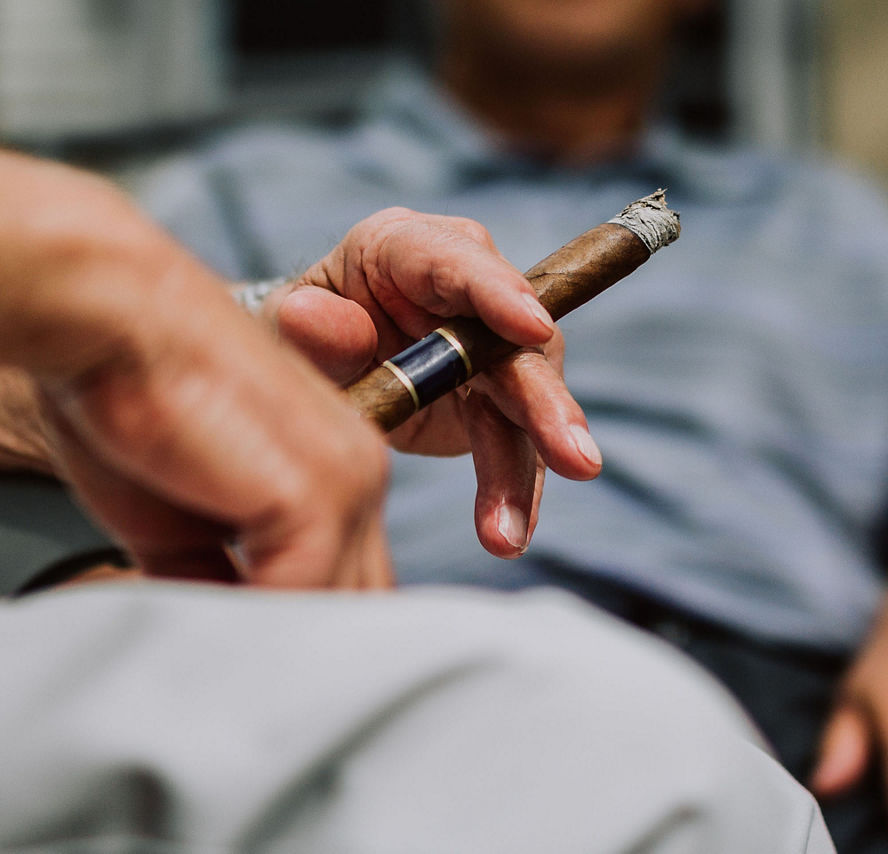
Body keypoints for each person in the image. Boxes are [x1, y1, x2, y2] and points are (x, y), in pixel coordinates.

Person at [0, 23, 836, 853]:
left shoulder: (830, 219)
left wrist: (241, 345)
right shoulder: (258, 166)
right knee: (640, 772)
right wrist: (75, 270)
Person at [132, 0, 888, 850]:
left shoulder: (845, 225)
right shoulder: (236, 189)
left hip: (793, 722)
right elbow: (77, 408)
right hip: (381, 682)